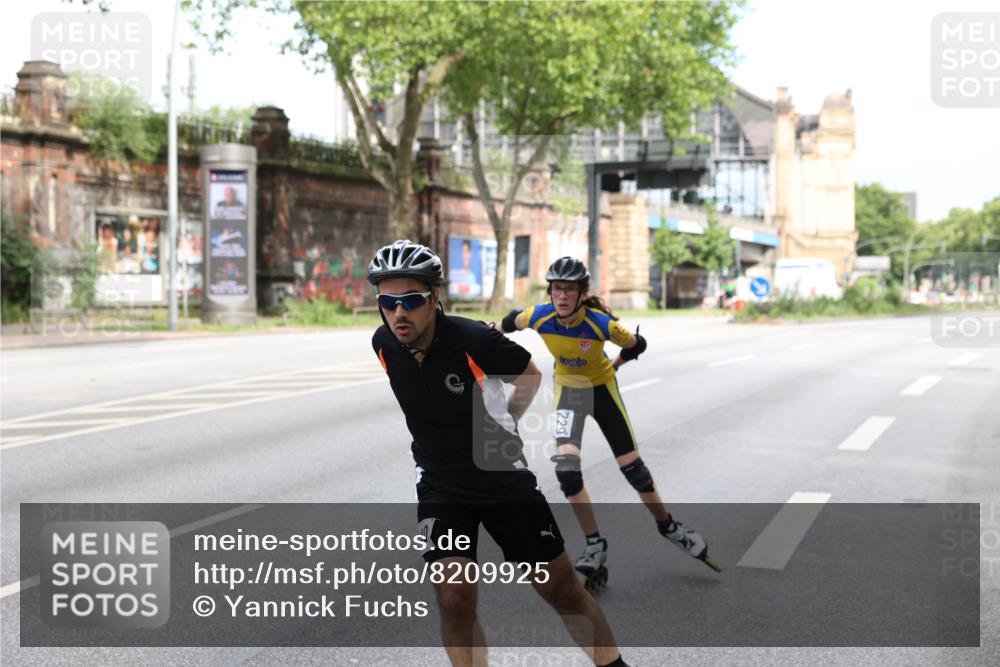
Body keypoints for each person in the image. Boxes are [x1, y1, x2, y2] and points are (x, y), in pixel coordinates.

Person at [369, 240, 631, 667]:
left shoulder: (474, 339)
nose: (399, 313)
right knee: (453, 597)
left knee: (561, 590)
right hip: (441, 485)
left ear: (434, 298)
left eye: (411, 301)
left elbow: (528, 375)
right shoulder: (384, 343)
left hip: (500, 478)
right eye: (388, 301)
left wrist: (501, 425)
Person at [496, 257, 719, 590]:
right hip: (569, 391)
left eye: (569, 290)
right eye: (557, 289)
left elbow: (637, 344)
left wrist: (614, 364)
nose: (561, 296)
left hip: (602, 390)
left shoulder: (601, 324)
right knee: (567, 472)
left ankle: (668, 525)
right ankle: (594, 543)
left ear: (582, 294)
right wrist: (483, 335)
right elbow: (508, 322)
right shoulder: (540, 315)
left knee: (634, 470)